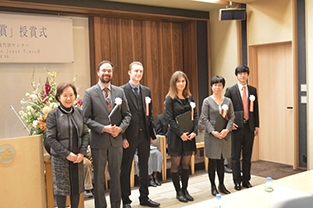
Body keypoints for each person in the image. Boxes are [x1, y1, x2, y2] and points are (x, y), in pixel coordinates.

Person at [83, 60, 131, 208]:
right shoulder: (89, 93)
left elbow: (127, 115)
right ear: (98, 73)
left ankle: (116, 205)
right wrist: (103, 128)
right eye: (103, 70)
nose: (106, 73)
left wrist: (120, 129)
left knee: (116, 177)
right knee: (98, 179)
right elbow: (86, 118)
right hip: (99, 142)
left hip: (116, 142)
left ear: (112, 73)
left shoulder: (119, 92)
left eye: (109, 71)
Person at [120, 61, 160, 208]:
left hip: (144, 135)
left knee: (144, 166)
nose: (138, 74)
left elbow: (149, 114)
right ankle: (126, 201)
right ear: (129, 72)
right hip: (128, 136)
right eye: (136, 71)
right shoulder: (121, 91)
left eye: (141, 71)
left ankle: (144, 197)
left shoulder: (146, 91)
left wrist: (151, 133)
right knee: (125, 168)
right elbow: (119, 117)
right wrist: (122, 137)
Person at [46, 83, 89, 208]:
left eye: (71, 95)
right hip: (60, 158)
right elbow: (50, 138)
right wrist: (67, 154)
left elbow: (85, 134)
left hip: (77, 157)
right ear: (59, 97)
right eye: (65, 95)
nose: (69, 98)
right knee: (61, 189)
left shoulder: (80, 113)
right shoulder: (53, 115)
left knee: (76, 188)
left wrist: (82, 153)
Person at [225, 64, 259, 191]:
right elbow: (225, 109)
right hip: (236, 128)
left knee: (247, 155)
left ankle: (246, 180)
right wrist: (229, 123)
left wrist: (256, 125)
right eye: (240, 73)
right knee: (235, 156)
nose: (242, 75)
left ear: (247, 75)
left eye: (244, 73)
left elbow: (256, 109)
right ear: (237, 75)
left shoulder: (253, 90)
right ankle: (237, 181)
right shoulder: (230, 90)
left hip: (249, 127)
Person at [164, 71, 198, 203]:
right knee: (175, 165)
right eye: (178, 81)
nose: (181, 84)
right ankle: (178, 191)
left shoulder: (190, 97)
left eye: (183, 81)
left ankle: (185, 189)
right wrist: (181, 134)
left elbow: (195, 116)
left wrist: (195, 131)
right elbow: (170, 119)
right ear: (174, 83)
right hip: (177, 136)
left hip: (189, 135)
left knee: (186, 164)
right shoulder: (170, 99)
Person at [199, 76, 235, 196]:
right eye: (215, 85)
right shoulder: (207, 101)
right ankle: (213, 186)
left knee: (221, 161)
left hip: (224, 135)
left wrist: (227, 130)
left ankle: (222, 184)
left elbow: (232, 117)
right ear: (211, 87)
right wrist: (213, 131)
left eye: (219, 85)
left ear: (223, 86)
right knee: (212, 161)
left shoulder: (228, 101)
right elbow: (204, 118)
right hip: (212, 135)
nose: (217, 87)